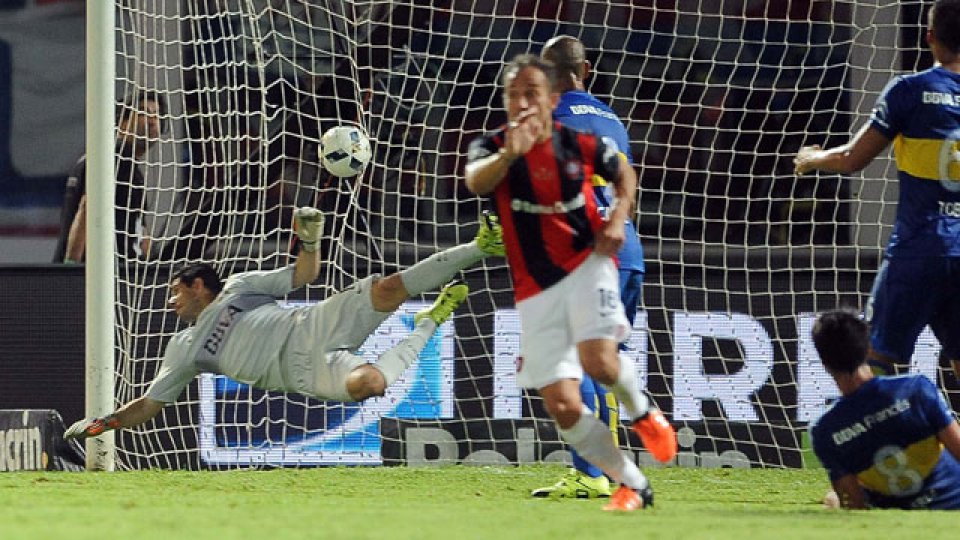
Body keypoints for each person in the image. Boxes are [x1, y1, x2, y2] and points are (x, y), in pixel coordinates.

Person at [63, 207, 505, 439]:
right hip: (299, 374)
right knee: (371, 384)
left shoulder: (239, 287)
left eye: (176, 291)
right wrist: (106, 422)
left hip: (311, 325)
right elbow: (150, 404)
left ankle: (481, 246)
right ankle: (430, 322)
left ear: (198, 286)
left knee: (388, 288)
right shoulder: (183, 348)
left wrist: (309, 242)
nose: (170, 301)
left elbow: (304, 275)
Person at [464, 54, 677, 512]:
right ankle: (629, 478)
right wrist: (509, 158)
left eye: (532, 93)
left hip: (588, 261)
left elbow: (622, 174)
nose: (523, 102)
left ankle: (632, 431)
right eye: (514, 95)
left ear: (551, 96)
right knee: (565, 396)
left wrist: (616, 218)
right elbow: (477, 180)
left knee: (592, 363)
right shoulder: (500, 144)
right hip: (551, 276)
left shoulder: (571, 137)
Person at [794, 0, 960, 377]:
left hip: (918, 248)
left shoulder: (910, 90)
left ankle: (875, 417)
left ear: (929, 37)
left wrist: (812, 159)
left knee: (874, 356)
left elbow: (852, 158)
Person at [529, 35, 647, 499]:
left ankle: (593, 472)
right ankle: (605, 470)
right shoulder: (612, 119)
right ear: (587, 69)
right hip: (627, 253)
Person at [808, 309, 960, 509]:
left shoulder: (824, 431)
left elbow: (854, 505)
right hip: (954, 502)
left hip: (900, 518)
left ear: (824, 364)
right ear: (867, 349)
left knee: (832, 499)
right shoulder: (916, 389)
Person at [52, 90, 165, 263]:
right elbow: (87, 208)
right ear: (122, 123)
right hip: (94, 273)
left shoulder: (114, 160)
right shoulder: (117, 157)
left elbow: (140, 231)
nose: (152, 121)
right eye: (143, 113)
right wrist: (71, 267)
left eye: (156, 115)